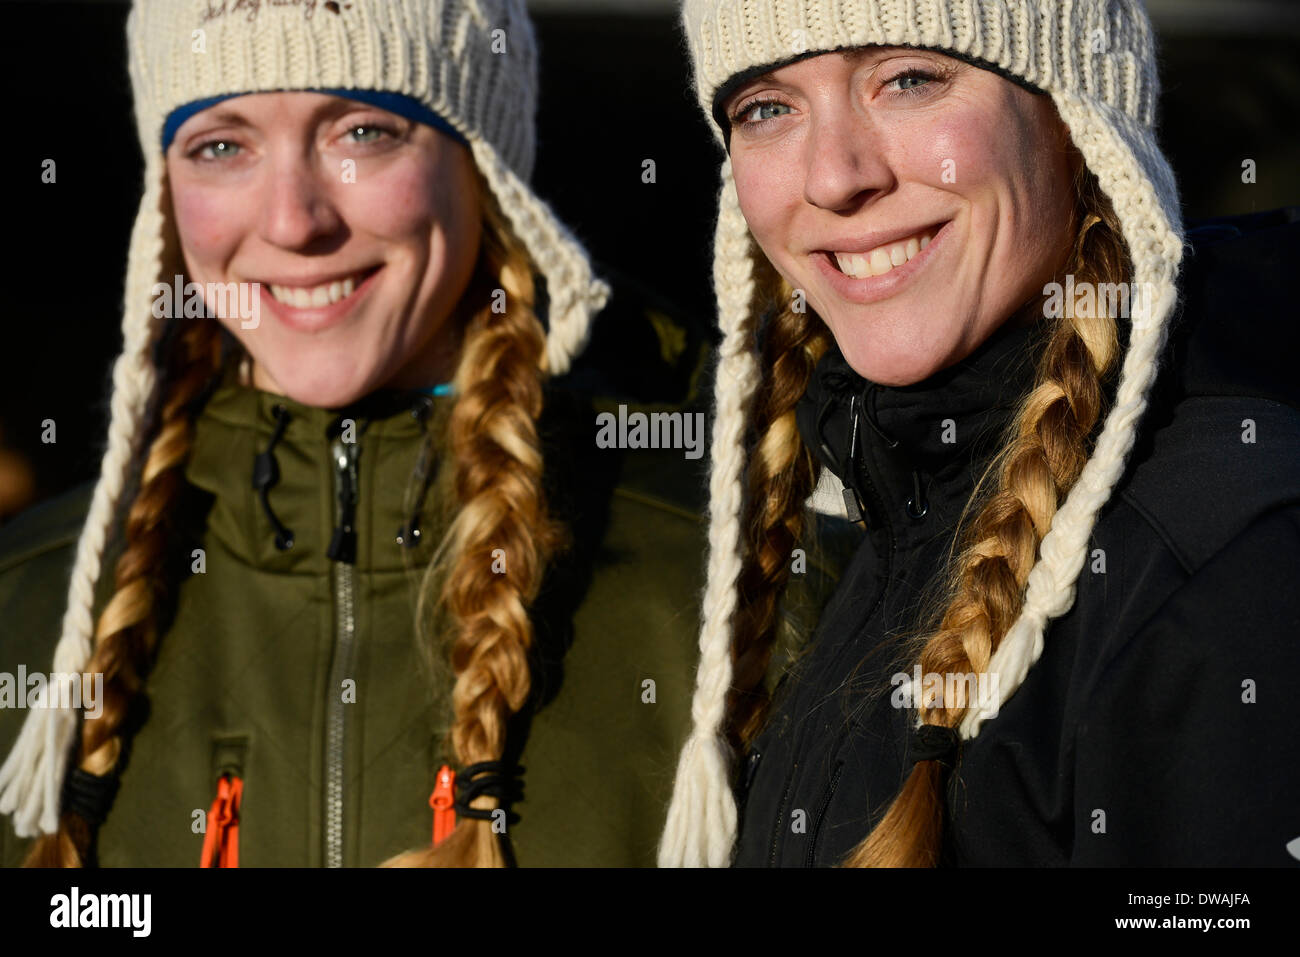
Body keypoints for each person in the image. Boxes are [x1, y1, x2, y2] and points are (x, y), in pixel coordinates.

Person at [0, 0, 716, 868]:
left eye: (364, 132)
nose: (295, 221)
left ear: (484, 167)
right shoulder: (23, 609)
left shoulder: (717, 599)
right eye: (221, 146)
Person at [662, 0, 1300, 867]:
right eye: (766, 107)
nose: (833, 176)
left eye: (909, 79)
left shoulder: (1221, 566)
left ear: (1077, 118)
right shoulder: (901, 498)